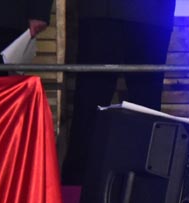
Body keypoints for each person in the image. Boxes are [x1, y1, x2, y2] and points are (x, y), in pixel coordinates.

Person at [61, 1, 175, 185]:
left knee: (146, 103)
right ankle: (76, 186)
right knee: (90, 100)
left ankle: (147, 185)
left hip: (150, 13)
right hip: (103, 11)